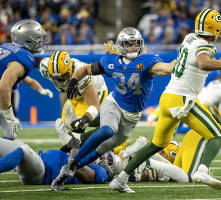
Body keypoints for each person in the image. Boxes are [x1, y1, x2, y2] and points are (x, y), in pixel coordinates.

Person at [109, 9, 221, 193]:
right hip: (183, 100)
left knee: (157, 144)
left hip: (168, 98)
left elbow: (195, 64)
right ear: (215, 28)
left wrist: (215, 62)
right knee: (217, 135)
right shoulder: (207, 46)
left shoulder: (190, 38)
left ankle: (120, 179)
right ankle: (202, 171)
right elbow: (202, 62)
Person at [51, 27, 176, 191]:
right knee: (108, 130)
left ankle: (66, 173)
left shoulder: (147, 61)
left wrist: (181, 61)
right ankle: (72, 163)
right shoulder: (112, 60)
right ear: (122, 46)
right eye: (129, 44)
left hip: (132, 116)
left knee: (101, 149)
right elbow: (85, 69)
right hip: (114, 103)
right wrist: (74, 80)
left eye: (136, 44)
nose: (133, 47)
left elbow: (166, 68)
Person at [0, 19, 47, 136]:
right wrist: (10, 117)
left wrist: (41, 89)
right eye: (37, 37)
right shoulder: (24, 58)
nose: (41, 40)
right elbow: (3, 86)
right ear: (27, 39)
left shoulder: (6, 47)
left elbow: (26, 80)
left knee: (11, 134)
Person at [0, 138, 108, 185]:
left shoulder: (100, 172)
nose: (105, 156)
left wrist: (76, 147)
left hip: (42, 175)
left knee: (24, 151)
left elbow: (73, 168)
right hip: (39, 163)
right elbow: (60, 157)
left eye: (110, 159)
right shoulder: (86, 158)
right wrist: (69, 145)